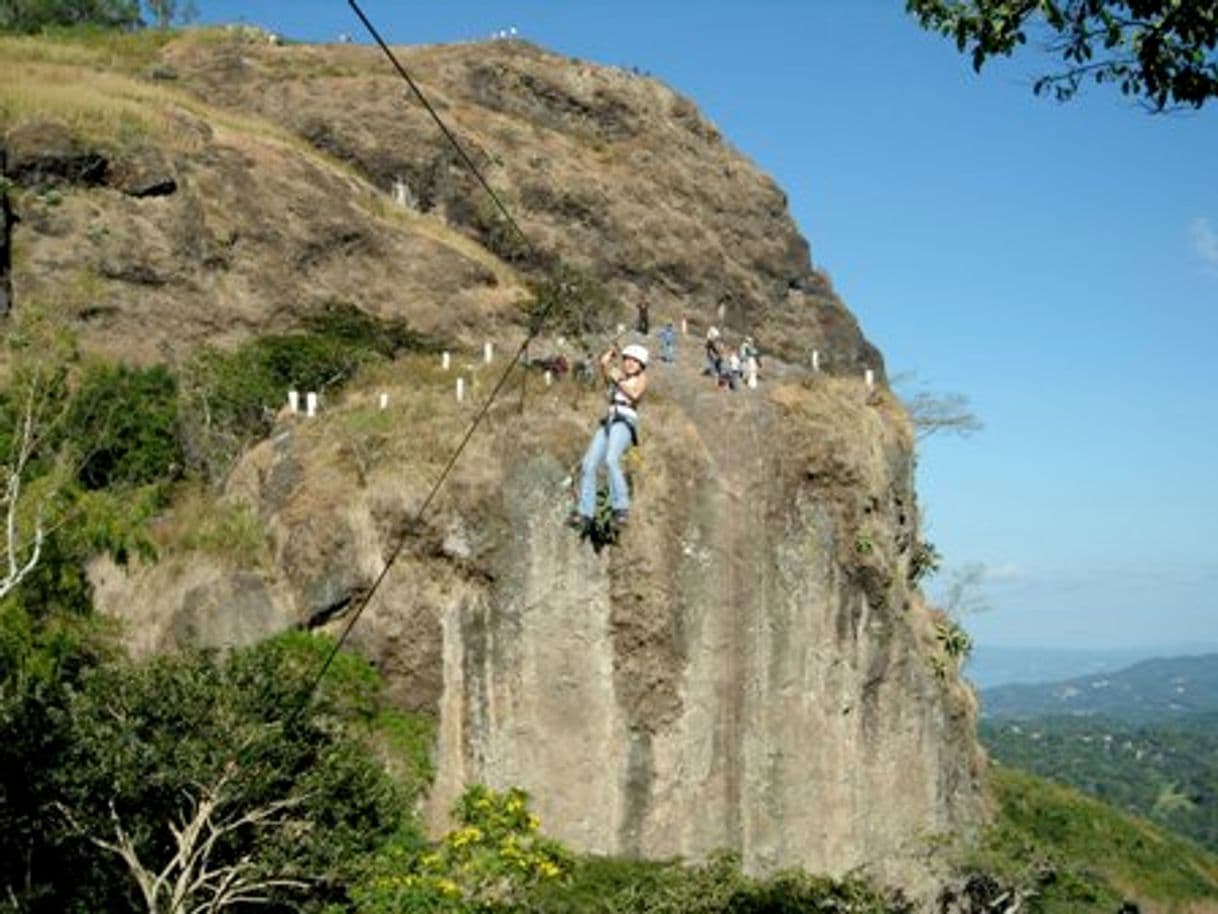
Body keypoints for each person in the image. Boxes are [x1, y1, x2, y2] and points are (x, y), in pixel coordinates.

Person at [570, 343, 650, 530]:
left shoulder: (641, 378)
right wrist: (606, 360)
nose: (630, 364)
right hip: (609, 420)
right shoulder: (619, 376)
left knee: (611, 459)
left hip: (624, 421)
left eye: (634, 361)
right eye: (627, 360)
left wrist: (618, 380)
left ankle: (620, 507)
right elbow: (605, 370)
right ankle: (585, 512)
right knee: (589, 464)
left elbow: (635, 394)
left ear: (641, 365)